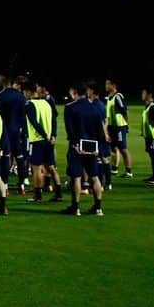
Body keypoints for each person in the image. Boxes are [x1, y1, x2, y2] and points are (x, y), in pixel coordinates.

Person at [62, 82, 105, 216]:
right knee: (94, 176)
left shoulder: (70, 108)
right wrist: (99, 148)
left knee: (76, 177)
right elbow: (100, 131)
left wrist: (75, 145)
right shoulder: (95, 108)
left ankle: (76, 208)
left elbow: (70, 130)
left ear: (74, 92)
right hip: (92, 146)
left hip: (78, 146)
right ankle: (98, 208)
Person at [24, 82, 62, 203]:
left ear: (29, 92)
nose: (24, 94)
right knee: (50, 167)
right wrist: (53, 135)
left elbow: (34, 123)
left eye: (24, 92)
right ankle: (59, 194)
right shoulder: (47, 103)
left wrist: (45, 135)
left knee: (36, 168)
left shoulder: (30, 104)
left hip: (37, 140)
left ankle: (37, 196)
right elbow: (53, 120)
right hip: (49, 140)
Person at [0, 75, 29, 195]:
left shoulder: (0, 96)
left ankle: (5, 186)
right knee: (19, 158)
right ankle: (22, 186)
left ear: (2, 82)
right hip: (18, 132)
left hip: (4, 132)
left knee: (5, 158)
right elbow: (23, 116)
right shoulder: (20, 96)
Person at [87, 82, 113, 191]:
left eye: (88, 90)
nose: (87, 92)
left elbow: (102, 122)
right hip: (102, 135)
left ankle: (100, 184)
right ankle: (108, 183)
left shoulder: (94, 105)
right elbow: (105, 120)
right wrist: (106, 133)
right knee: (104, 159)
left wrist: (104, 133)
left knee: (97, 159)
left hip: (97, 136)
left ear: (92, 91)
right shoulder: (102, 104)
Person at [105, 79, 132, 177]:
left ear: (113, 85)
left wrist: (127, 125)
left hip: (120, 127)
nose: (106, 86)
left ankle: (128, 171)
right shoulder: (108, 97)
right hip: (112, 127)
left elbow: (125, 111)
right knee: (113, 148)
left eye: (108, 84)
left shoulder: (118, 97)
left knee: (123, 149)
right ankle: (114, 169)